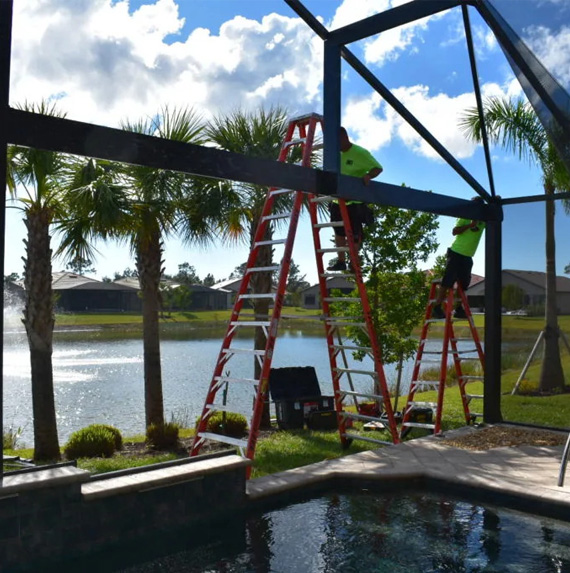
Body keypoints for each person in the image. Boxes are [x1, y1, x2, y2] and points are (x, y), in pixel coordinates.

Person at [327, 127, 383, 272]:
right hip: (337, 201)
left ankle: (354, 261)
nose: (335, 144)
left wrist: (368, 176)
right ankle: (341, 261)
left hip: (355, 203)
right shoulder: (334, 154)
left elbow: (378, 168)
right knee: (338, 232)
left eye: (337, 140)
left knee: (355, 234)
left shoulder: (360, 153)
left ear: (344, 137)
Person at [432, 196, 486, 319]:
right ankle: (437, 307)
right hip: (456, 252)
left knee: (464, 284)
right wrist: (470, 225)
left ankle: (458, 309)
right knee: (447, 282)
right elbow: (454, 231)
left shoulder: (483, 221)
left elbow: (493, 218)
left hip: (467, 256)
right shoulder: (464, 216)